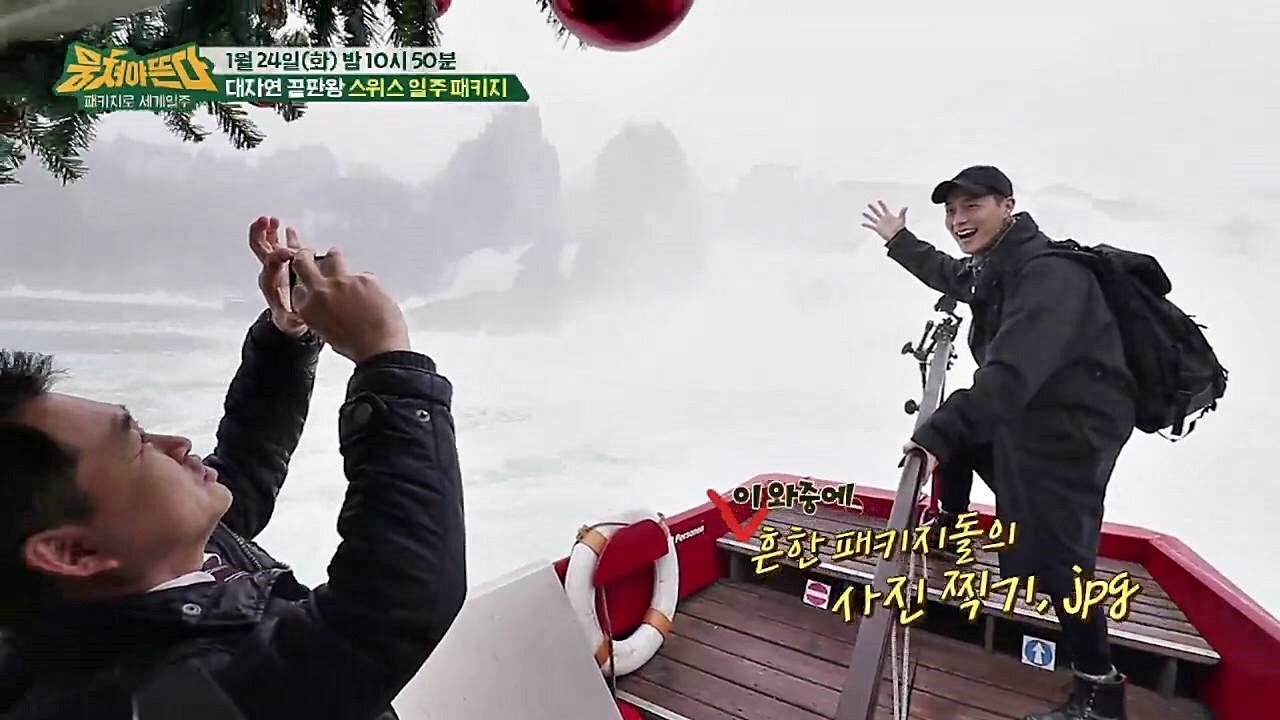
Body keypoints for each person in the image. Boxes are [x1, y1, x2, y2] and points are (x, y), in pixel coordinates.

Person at [0, 217, 467, 719]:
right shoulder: (163, 697)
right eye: (137, 446)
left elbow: (243, 469)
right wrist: (386, 357)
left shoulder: (139, 565)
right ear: (74, 552)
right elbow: (386, 608)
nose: (177, 444)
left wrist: (287, 335)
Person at [861, 166, 1136, 720]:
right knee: (964, 442)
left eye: (973, 206)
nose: (958, 220)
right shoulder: (997, 265)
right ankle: (949, 526)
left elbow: (1010, 374)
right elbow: (949, 274)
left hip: (1072, 430)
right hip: (1031, 411)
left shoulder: (1049, 276)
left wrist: (935, 434)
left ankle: (1100, 691)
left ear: (1007, 205)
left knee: (1061, 557)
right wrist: (899, 239)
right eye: (950, 211)